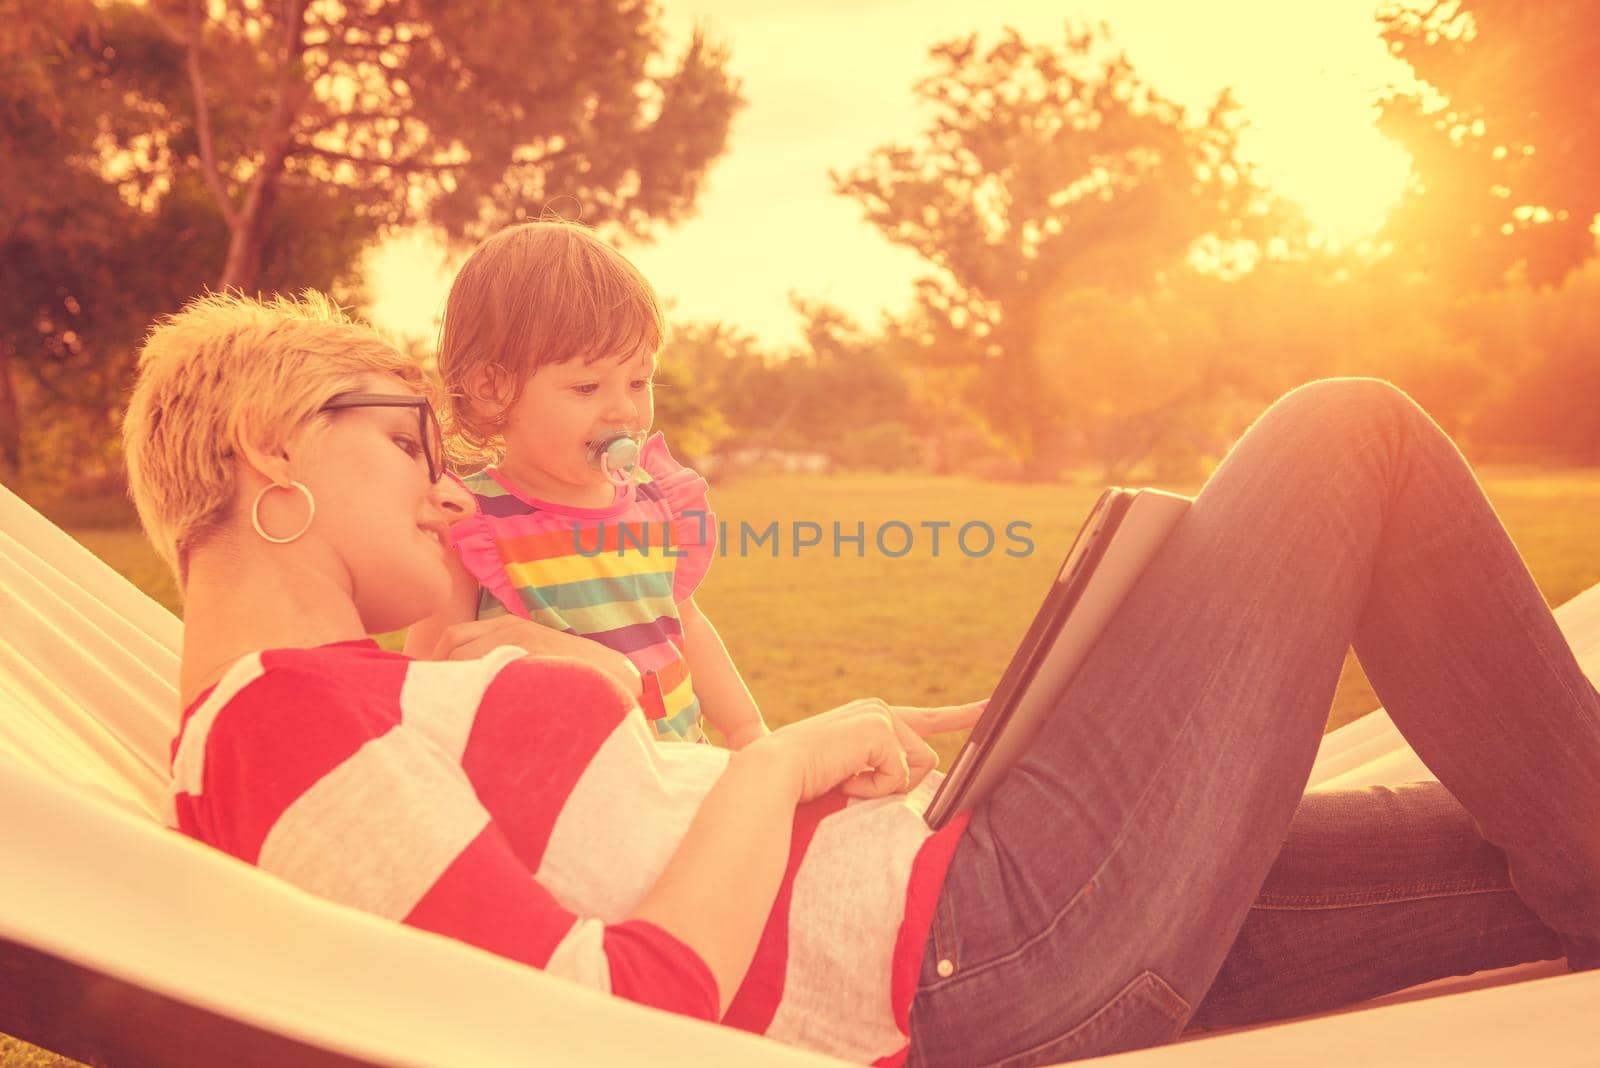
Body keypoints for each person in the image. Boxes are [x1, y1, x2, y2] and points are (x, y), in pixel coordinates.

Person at [123, 291, 1599, 1067]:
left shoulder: (338, 697)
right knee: (1352, 438)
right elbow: (594, 1016)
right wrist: (783, 762)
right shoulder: (276, 725)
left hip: (973, 904)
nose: (451, 497)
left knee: (1506, 856)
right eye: (411, 447)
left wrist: (551, 666)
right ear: (270, 445)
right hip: (976, 951)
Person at [404, 221, 766, 747]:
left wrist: (747, 729)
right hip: (560, 785)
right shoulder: (471, 522)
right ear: (492, 390)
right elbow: (430, 675)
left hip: (678, 766)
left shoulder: (653, 501)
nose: (623, 409)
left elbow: (683, 623)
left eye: (639, 382)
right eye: (587, 386)